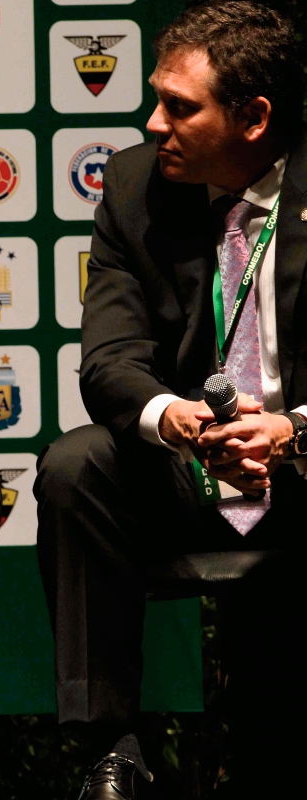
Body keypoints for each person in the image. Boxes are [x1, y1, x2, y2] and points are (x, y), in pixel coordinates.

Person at [33, 3, 306, 797]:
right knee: (77, 465)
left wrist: (291, 433)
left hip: (303, 470)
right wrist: (176, 420)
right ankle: (108, 752)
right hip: (191, 469)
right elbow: (111, 359)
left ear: (254, 118)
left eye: (179, 107)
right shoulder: (132, 186)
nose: (154, 124)